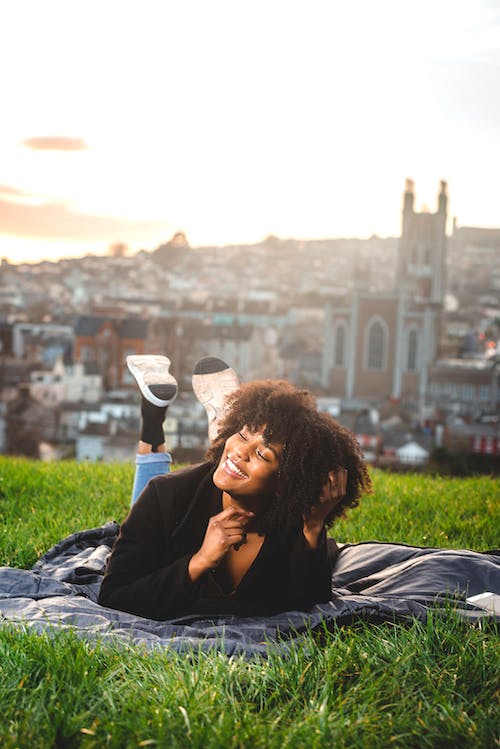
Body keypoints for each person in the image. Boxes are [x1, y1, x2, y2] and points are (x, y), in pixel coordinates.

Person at [98, 355, 372, 620]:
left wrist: (314, 526)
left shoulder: (293, 523)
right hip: (180, 494)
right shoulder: (164, 495)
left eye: (263, 454)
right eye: (241, 434)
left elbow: (306, 608)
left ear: (286, 483)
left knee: (229, 463)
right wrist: (199, 562)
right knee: (148, 494)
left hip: (254, 490)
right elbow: (115, 595)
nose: (241, 451)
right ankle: (154, 416)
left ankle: (218, 420)